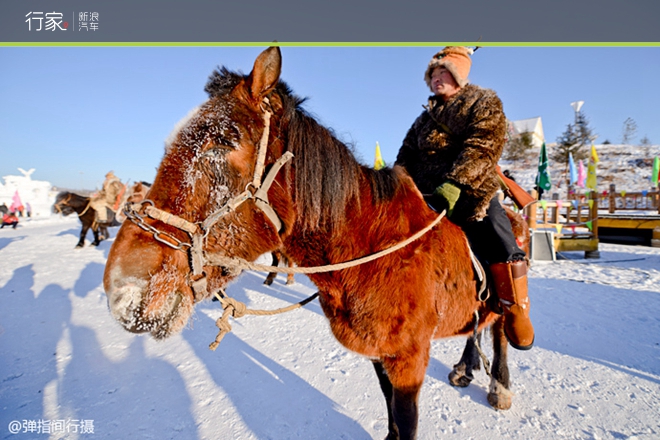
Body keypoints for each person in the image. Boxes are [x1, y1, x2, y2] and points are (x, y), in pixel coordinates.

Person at [395, 46, 534, 350]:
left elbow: (483, 146)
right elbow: (406, 154)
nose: (436, 78)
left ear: (459, 74)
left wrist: (456, 184)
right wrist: (396, 181)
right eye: (432, 74)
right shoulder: (425, 118)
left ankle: (515, 307)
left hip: (472, 189)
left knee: (502, 239)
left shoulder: (484, 102)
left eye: (442, 72)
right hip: (424, 193)